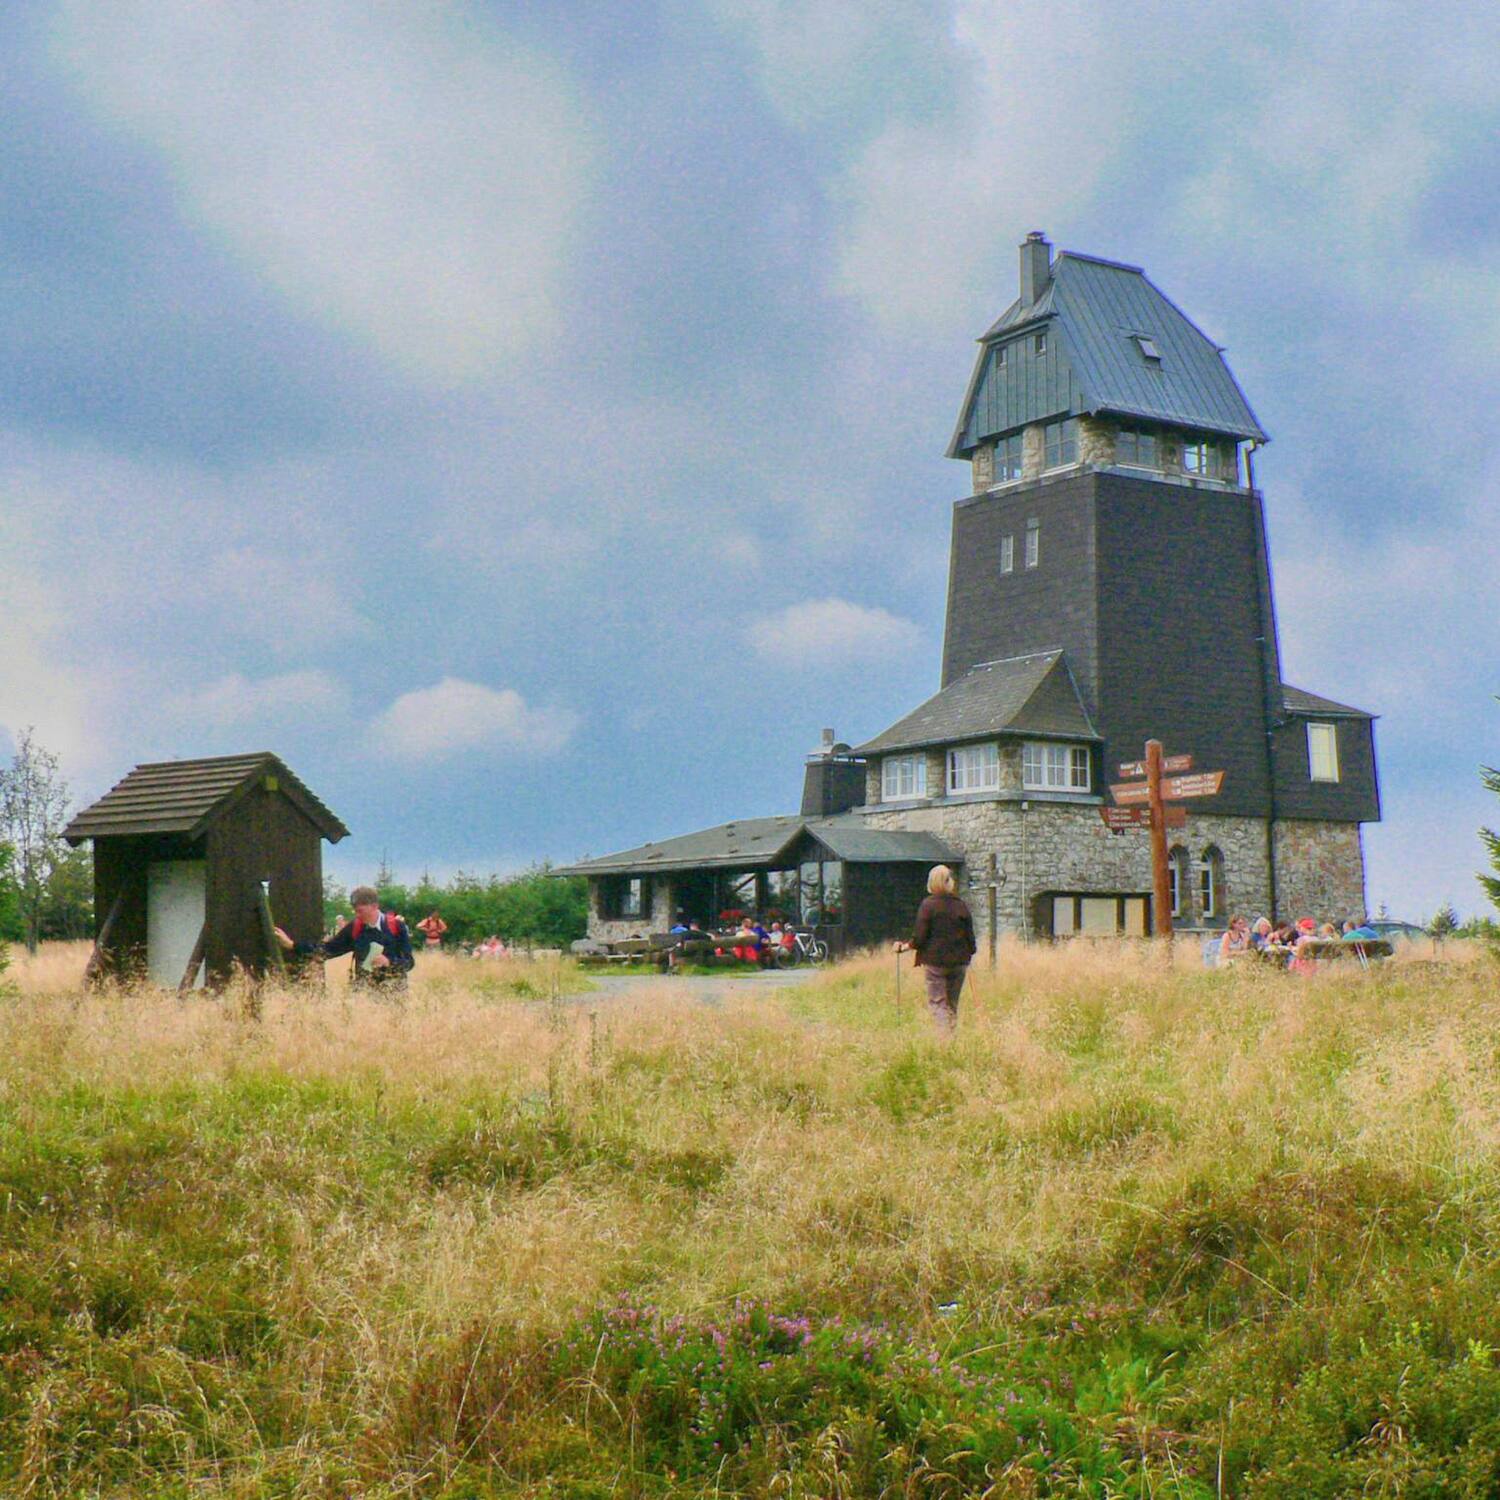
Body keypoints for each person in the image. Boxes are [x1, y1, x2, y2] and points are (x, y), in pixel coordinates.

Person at [276, 885, 414, 990]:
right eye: (355, 911)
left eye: (360, 911)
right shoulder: (355, 928)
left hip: (395, 991)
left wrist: (388, 962)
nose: (357, 915)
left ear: (374, 906)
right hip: (364, 993)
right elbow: (327, 950)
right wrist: (292, 945)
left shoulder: (396, 926)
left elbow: (409, 962)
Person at [895, 865, 976, 1036]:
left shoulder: (928, 905)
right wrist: (969, 953)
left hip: (935, 963)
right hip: (959, 962)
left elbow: (919, 937)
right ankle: (951, 1038)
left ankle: (943, 1040)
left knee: (938, 1002)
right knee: (952, 1003)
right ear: (949, 883)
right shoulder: (961, 906)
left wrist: (904, 947)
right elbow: (971, 938)